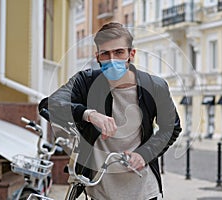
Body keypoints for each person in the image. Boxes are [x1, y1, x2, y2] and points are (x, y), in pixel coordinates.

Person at [39, 22, 182, 200]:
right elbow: (48, 105)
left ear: (132, 54)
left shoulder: (155, 86)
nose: (112, 59)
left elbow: (171, 127)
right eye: (105, 53)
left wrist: (144, 154)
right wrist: (89, 114)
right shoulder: (86, 81)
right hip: (99, 190)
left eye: (119, 52)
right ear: (97, 56)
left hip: (143, 190)